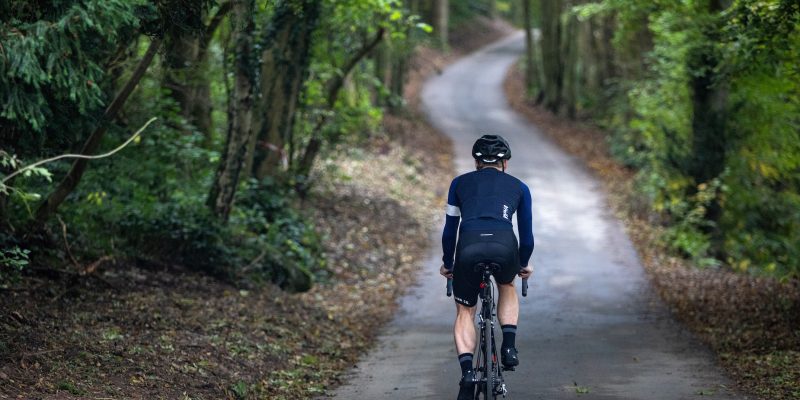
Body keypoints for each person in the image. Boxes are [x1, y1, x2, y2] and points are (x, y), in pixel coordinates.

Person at [440, 134, 534, 400]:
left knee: (465, 311)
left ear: (476, 162)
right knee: (506, 284)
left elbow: (449, 232)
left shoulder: (458, 184)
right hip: (505, 246)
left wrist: (449, 264)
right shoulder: (520, 187)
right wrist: (523, 264)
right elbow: (526, 236)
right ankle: (509, 348)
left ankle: (468, 372)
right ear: (505, 162)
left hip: (468, 246)